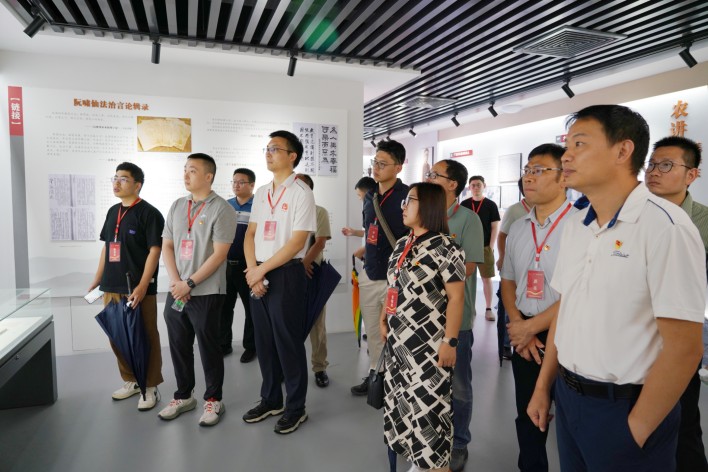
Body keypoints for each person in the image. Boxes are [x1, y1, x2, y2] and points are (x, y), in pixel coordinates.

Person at [527, 105, 706, 472]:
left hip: (625, 408)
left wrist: (635, 429)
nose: (566, 156)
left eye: (579, 144)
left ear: (623, 150)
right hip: (569, 398)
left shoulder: (666, 227)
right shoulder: (577, 223)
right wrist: (544, 387)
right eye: (567, 145)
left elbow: (685, 348)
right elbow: (566, 311)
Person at [380, 182, 466, 472]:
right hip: (398, 344)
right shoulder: (403, 243)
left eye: (411, 200)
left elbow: (456, 299)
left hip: (428, 347)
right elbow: (393, 284)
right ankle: (417, 462)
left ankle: (435, 465)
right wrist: (384, 316)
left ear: (428, 206)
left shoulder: (447, 248)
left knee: (429, 407)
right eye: (404, 200)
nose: (404, 206)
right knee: (402, 404)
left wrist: (450, 342)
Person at [500, 144, 573, 472]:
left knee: (571, 420)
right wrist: (520, 326)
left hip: (567, 334)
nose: (529, 177)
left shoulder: (581, 226)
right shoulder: (518, 227)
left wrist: (531, 327)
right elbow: (508, 280)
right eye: (527, 170)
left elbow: (578, 293)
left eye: (540, 170)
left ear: (564, 178)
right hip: (524, 335)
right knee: (528, 415)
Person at [242, 131, 316, 435]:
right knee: (264, 342)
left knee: (288, 342)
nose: (268, 153)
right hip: (258, 272)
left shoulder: (301, 192)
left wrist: (262, 270)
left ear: (292, 156)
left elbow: (297, 242)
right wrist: (253, 270)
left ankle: (296, 407)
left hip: (286, 274)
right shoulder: (262, 192)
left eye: (275, 149)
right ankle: (271, 399)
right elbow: (250, 234)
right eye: (267, 148)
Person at [158, 153, 237, 427]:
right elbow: (167, 245)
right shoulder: (178, 205)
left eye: (192, 170)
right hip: (177, 291)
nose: (185, 175)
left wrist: (189, 283)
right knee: (179, 345)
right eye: (185, 169)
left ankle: (214, 399)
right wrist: (176, 281)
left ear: (208, 176)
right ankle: (183, 395)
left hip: (207, 291)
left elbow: (219, 254)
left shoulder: (222, 209)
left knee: (208, 347)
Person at [644, 136, 708, 472]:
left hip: (679, 340)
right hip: (636, 339)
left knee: (683, 425)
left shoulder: (703, 222)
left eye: (666, 165)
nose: (654, 172)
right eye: (652, 164)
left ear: (691, 174)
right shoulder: (635, 217)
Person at [89, 162, 164, 411]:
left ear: (137, 184)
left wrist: (143, 285)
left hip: (138, 288)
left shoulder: (150, 213)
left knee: (145, 336)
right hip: (112, 285)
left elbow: (155, 251)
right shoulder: (113, 211)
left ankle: (150, 385)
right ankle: (131, 379)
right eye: (115, 178)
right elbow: (107, 247)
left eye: (123, 179)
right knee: (117, 336)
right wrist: (98, 279)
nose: (117, 183)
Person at [426, 159, 484, 472]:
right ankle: (430, 438)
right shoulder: (424, 216)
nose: (428, 178)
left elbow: (470, 266)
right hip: (422, 319)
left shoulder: (468, 220)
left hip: (454, 318)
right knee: (428, 383)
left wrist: (430, 277)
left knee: (458, 386)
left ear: (452, 184)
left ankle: (459, 441)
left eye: (434, 175)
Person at [351, 140, 409, 396]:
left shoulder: (408, 196)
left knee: (395, 331)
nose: (376, 168)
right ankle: (377, 374)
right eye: (375, 162)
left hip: (395, 278)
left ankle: (398, 379)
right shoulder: (370, 196)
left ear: (398, 167)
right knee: (373, 331)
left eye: (383, 164)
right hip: (370, 274)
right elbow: (371, 231)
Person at [297, 173, 333, 388]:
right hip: (288, 273)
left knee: (317, 325)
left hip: (312, 272)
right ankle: (289, 367)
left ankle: (319, 367)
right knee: (288, 324)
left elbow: (319, 242)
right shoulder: (285, 212)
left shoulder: (319, 212)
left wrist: (303, 264)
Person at [218, 167, 257, 363]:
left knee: (251, 308)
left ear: (252, 185)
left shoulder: (258, 206)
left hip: (248, 265)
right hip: (225, 265)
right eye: (234, 181)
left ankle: (251, 346)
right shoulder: (226, 205)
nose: (236, 185)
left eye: (241, 182)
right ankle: (224, 344)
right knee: (224, 307)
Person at [497, 178, 530, 361]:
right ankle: (506, 343)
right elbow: (502, 236)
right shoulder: (515, 210)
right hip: (516, 267)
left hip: (535, 269)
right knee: (510, 304)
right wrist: (502, 257)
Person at [461, 175, 500, 321]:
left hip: (484, 247)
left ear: (484, 186)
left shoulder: (490, 205)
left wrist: (490, 246)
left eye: (478, 185)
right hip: (467, 248)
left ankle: (488, 309)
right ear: (469, 187)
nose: (476, 188)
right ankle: (469, 309)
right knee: (466, 280)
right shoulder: (464, 204)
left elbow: (495, 227)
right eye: (473, 185)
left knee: (486, 279)